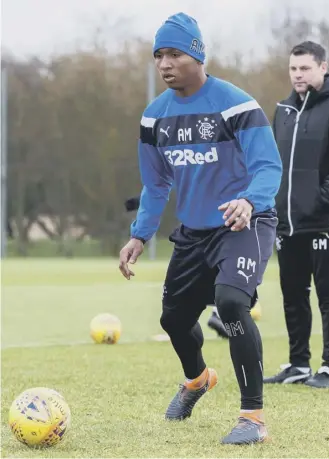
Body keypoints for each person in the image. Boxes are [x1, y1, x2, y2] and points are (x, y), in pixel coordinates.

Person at [119, 12, 282, 445]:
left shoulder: (236, 104)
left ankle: (252, 418)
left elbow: (268, 166)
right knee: (173, 319)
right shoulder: (154, 118)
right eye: (158, 56)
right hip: (193, 232)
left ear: (197, 54)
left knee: (231, 303)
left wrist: (250, 201)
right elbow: (156, 184)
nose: (164, 64)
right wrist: (140, 234)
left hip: (245, 221)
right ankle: (197, 380)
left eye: (174, 53)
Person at [264, 41, 329, 388]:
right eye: (293, 69)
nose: (298, 75)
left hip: (324, 221)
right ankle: (298, 364)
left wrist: (321, 202)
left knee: (328, 292)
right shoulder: (283, 109)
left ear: (323, 67)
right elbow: (274, 163)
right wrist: (276, 206)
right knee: (292, 293)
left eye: (305, 68)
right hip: (287, 223)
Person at [124, 195, 261, 339]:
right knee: (229, 277)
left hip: (232, 221)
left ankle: (222, 311)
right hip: (212, 228)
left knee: (235, 280)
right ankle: (219, 313)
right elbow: (166, 183)